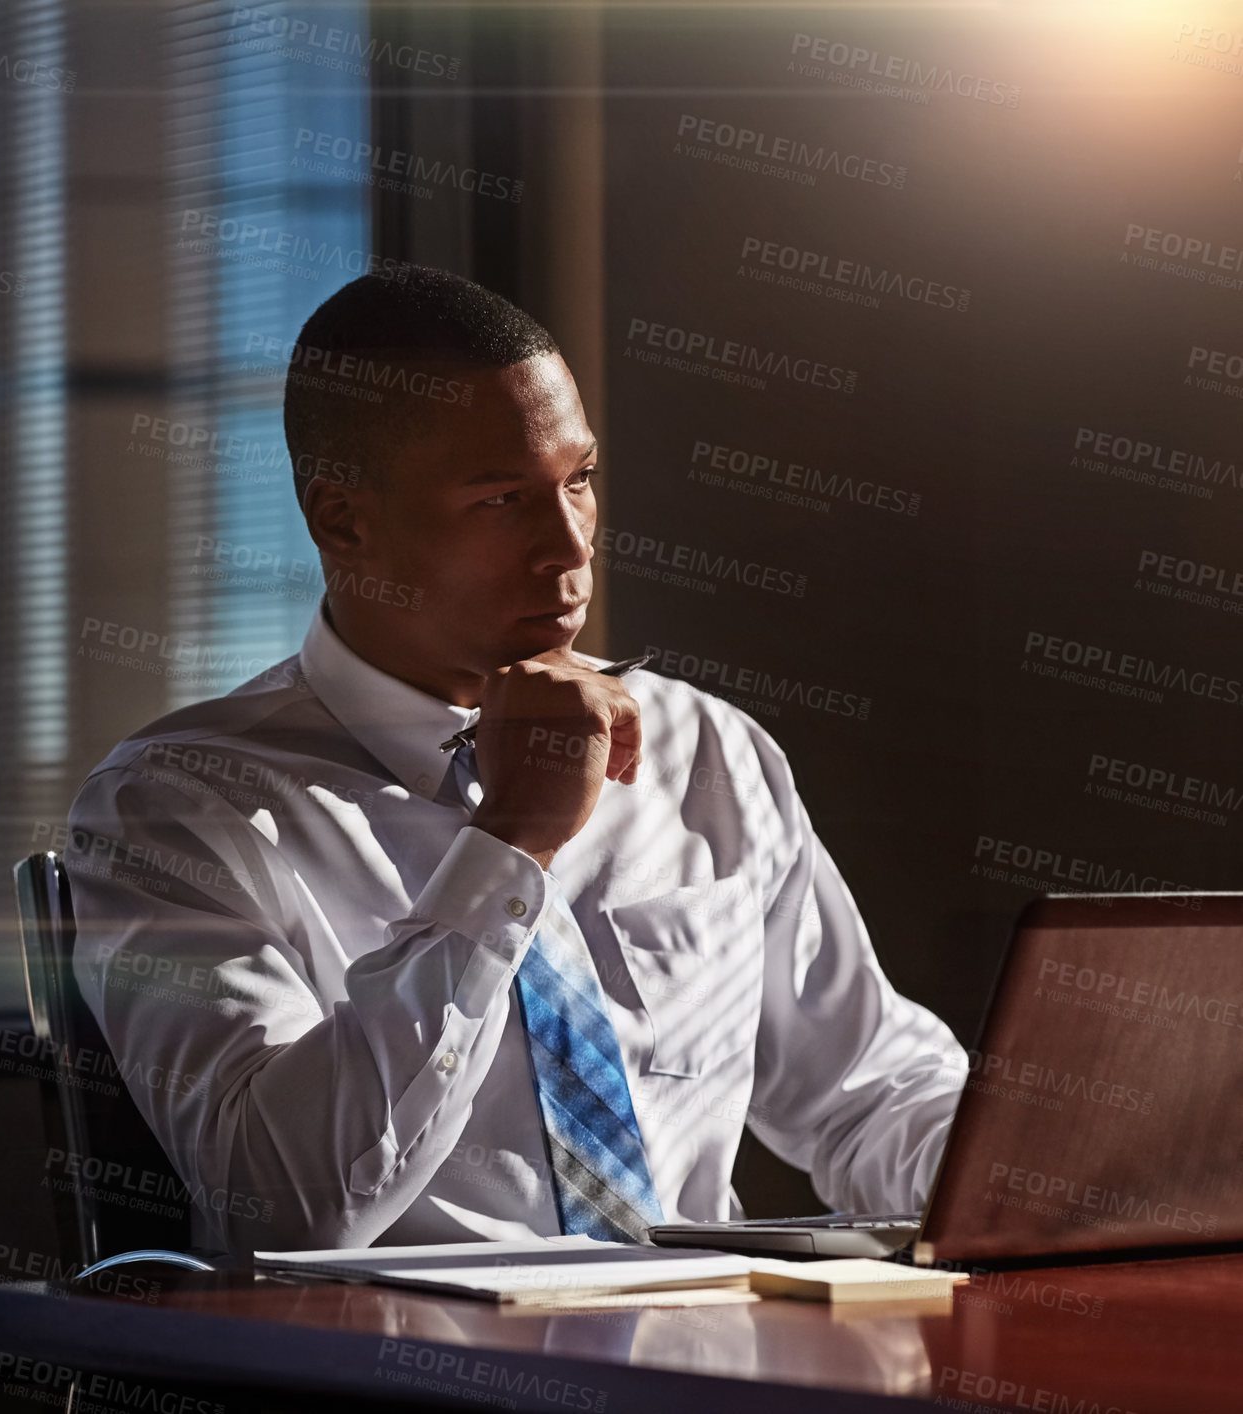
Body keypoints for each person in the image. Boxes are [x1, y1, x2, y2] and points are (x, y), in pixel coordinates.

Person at [66, 267, 966, 1253]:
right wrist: (511, 843)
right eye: (501, 499)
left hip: (712, 1357)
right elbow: (274, 1203)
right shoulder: (177, 806)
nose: (570, 546)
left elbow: (866, 1091)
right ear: (342, 520)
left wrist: (1051, 1183)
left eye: (577, 481)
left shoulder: (702, 747)